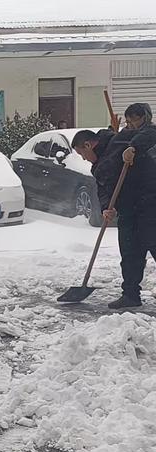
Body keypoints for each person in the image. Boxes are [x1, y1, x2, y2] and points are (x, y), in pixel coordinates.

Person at [72, 105, 156, 309]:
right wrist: (105, 208)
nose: (82, 158)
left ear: (88, 144)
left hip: (149, 205)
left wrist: (132, 148)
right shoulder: (98, 166)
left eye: (81, 153)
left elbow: (151, 132)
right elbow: (103, 190)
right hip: (128, 211)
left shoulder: (118, 140)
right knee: (129, 254)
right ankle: (130, 295)